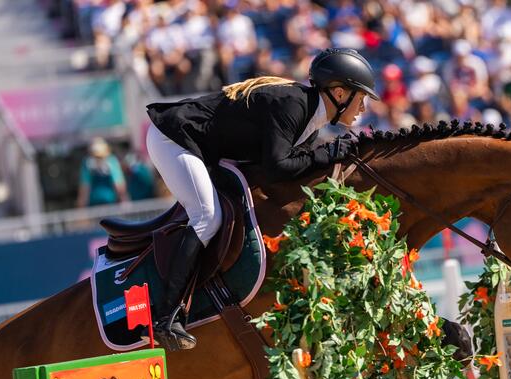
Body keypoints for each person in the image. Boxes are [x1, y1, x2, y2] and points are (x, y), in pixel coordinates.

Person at [143, 48, 378, 350]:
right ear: (340, 92)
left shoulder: (309, 119)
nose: (363, 107)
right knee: (207, 216)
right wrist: (328, 152)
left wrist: (326, 154)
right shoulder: (293, 105)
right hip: (174, 138)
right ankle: (166, 317)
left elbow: (285, 169)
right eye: (361, 97)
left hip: (203, 149)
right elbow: (277, 167)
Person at [77, 138, 129, 208]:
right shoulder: (111, 161)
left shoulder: (87, 163)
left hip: (95, 205)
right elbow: (119, 186)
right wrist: (124, 200)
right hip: (110, 203)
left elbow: (84, 188)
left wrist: (81, 208)